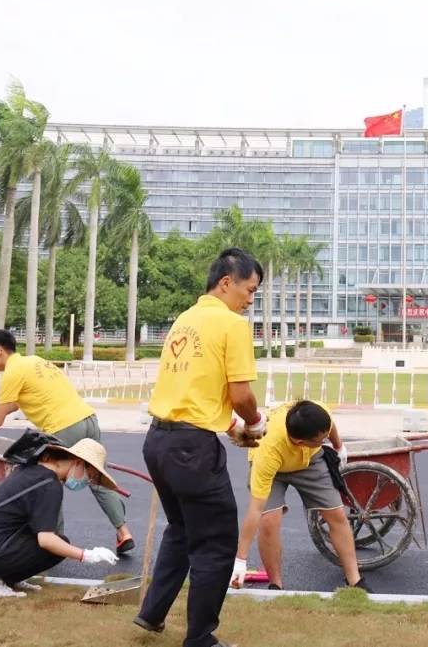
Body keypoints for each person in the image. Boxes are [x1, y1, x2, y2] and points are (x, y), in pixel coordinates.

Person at [134, 247, 266, 647]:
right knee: (216, 542)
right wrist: (254, 423)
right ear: (226, 283)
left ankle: (152, 613)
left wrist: (230, 425)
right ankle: (201, 638)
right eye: (249, 290)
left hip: (158, 440)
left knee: (181, 529)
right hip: (192, 448)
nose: (250, 300)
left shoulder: (184, 319)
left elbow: (193, 391)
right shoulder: (232, 325)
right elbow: (240, 395)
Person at [0, 329, 134, 555]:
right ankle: (123, 533)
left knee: (48, 478)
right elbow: (13, 404)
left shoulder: (12, 373)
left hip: (63, 426)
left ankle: (55, 541)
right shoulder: (35, 362)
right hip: (88, 419)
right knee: (96, 476)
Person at [233, 399, 370, 591]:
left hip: (311, 460)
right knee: (269, 520)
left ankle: (355, 581)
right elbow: (255, 509)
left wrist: (338, 446)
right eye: (321, 440)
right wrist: (240, 559)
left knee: (337, 515)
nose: (324, 441)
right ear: (300, 442)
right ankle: (275, 585)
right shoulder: (268, 451)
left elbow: (329, 427)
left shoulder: (317, 413)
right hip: (274, 467)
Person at [0, 438, 121, 598]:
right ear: (78, 462)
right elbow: (46, 540)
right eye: (89, 475)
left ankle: (7, 579)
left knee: (57, 541)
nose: (87, 481)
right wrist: (88, 555)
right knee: (56, 548)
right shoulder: (49, 486)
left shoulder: (32, 469)